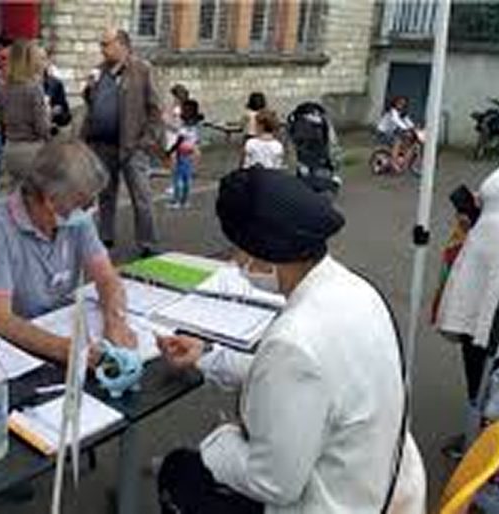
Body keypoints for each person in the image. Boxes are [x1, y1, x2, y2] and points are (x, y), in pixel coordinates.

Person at [156, 168, 425, 514]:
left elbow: (274, 483)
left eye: (237, 250)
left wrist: (220, 442)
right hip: (384, 477)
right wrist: (207, 356)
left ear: (264, 253)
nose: (234, 261)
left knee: (180, 473)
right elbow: (308, 378)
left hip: (339, 503)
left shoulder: (295, 340)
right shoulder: (356, 290)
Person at [0, 141, 136, 363]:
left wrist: (115, 321)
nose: (87, 210)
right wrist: (68, 351)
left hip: (53, 326)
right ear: (49, 200)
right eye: (81, 203)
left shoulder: (76, 218)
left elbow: (107, 277)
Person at [81, 28, 163, 257]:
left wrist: (146, 141)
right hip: (102, 144)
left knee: (142, 196)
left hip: (132, 145)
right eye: (101, 44)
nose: (102, 49)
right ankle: (105, 236)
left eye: (106, 44)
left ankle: (148, 243)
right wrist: (88, 90)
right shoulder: (99, 70)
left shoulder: (142, 70)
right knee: (106, 193)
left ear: (122, 45)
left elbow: (155, 109)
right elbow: (93, 104)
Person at [437, 167, 499, 417]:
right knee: (473, 346)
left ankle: (488, 431)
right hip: (479, 273)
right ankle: (477, 424)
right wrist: (477, 207)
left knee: (490, 350)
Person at [0, 39, 51, 187]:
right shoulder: (34, 88)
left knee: (16, 197)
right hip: (32, 151)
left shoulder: (3, 87)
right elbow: (42, 128)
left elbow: (0, 120)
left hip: (10, 149)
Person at [166, 99, 203, 209]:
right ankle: (186, 200)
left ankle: (177, 201)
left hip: (182, 154)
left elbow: (178, 142)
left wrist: (170, 151)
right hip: (191, 153)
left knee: (178, 177)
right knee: (187, 179)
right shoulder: (196, 127)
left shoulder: (183, 129)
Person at [376, 96, 417, 173]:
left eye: (403, 103)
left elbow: (408, 121)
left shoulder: (402, 113)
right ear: (395, 103)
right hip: (383, 132)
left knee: (408, 141)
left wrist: (414, 129)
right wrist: (406, 128)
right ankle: (394, 163)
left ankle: (401, 159)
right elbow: (396, 121)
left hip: (392, 132)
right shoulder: (392, 112)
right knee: (397, 141)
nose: (401, 105)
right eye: (399, 103)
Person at [37, 47, 71, 134]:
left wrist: (58, 112)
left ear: (48, 62)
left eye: (42, 59)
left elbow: (66, 116)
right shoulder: (24, 86)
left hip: (50, 135)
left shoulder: (55, 84)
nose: (38, 63)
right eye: (35, 59)